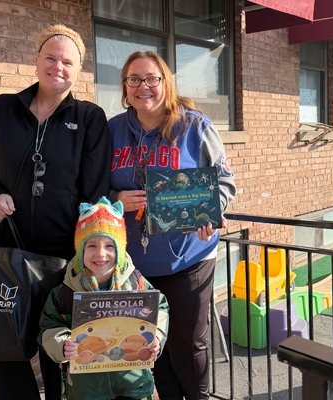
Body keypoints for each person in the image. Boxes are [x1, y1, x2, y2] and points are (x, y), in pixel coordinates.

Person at [0, 24, 111, 399]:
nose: (57, 66)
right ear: (36, 60)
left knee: (60, 350)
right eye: (50, 57)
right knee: (6, 348)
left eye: (67, 61)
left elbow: (94, 195)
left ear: (78, 71)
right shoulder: (0, 108)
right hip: (5, 251)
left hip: (62, 259)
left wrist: (91, 254)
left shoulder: (90, 118)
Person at [109, 51, 236, 400]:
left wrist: (210, 213)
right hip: (134, 265)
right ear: (125, 86)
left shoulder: (194, 126)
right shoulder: (112, 130)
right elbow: (91, 189)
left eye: (152, 78)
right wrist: (115, 196)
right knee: (153, 345)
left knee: (188, 345)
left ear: (166, 82)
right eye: (134, 79)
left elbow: (225, 183)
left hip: (189, 258)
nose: (143, 86)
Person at [39, 197, 169, 400]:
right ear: (80, 249)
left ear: (120, 248)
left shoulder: (136, 283)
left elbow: (160, 307)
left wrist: (157, 338)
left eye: (110, 245)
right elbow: (48, 326)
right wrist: (63, 345)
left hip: (133, 384)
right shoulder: (65, 291)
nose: (101, 254)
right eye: (91, 245)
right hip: (86, 388)